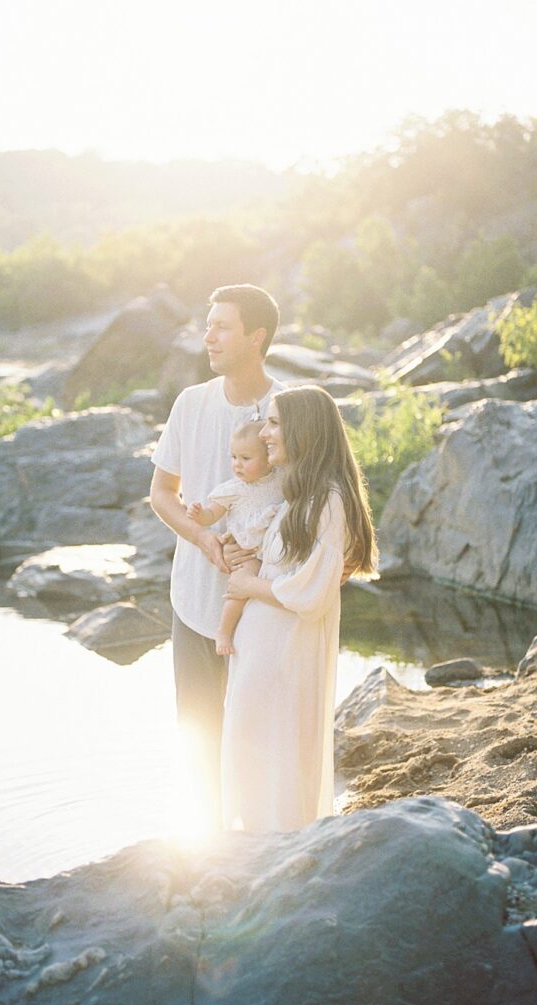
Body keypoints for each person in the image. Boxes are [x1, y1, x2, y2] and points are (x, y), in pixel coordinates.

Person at [150, 284, 284, 825]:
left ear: (257, 337)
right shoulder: (191, 403)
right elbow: (162, 494)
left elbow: (311, 502)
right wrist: (204, 538)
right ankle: (206, 849)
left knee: (255, 738)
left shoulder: (288, 408)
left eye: (222, 326)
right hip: (192, 601)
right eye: (208, 325)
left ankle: (258, 848)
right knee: (199, 734)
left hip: (263, 603)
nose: (208, 336)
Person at [221, 385, 378, 832]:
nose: (264, 433)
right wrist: (244, 558)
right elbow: (284, 565)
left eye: (273, 423)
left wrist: (250, 583)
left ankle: (278, 849)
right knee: (255, 749)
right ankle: (254, 846)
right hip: (264, 650)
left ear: (303, 431)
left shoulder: (327, 500)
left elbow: (311, 594)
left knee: (279, 754)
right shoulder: (299, 496)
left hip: (285, 651)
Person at [185, 419, 284, 656]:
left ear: (268, 457)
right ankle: (224, 631)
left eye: (246, 459)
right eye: (233, 457)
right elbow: (211, 515)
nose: (237, 465)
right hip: (248, 551)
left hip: (275, 550)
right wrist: (199, 515)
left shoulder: (280, 479)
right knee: (240, 588)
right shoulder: (232, 489)